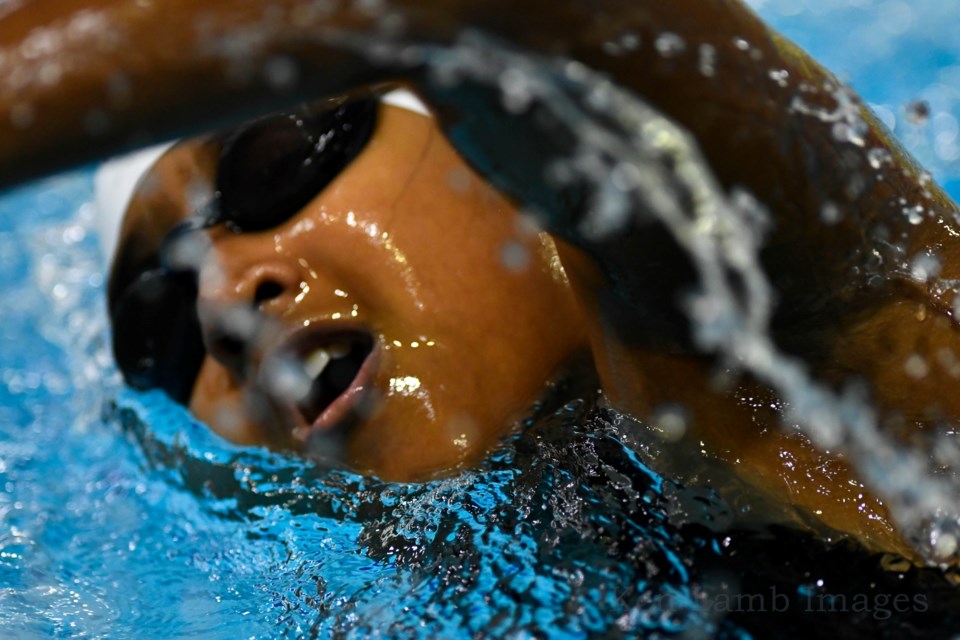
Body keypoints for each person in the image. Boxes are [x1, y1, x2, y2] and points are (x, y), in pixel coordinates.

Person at [3, 0, 959, 566]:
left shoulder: (805, 308)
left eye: (275, 166)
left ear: (494, 138)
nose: (218, 298)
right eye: (155, 322)